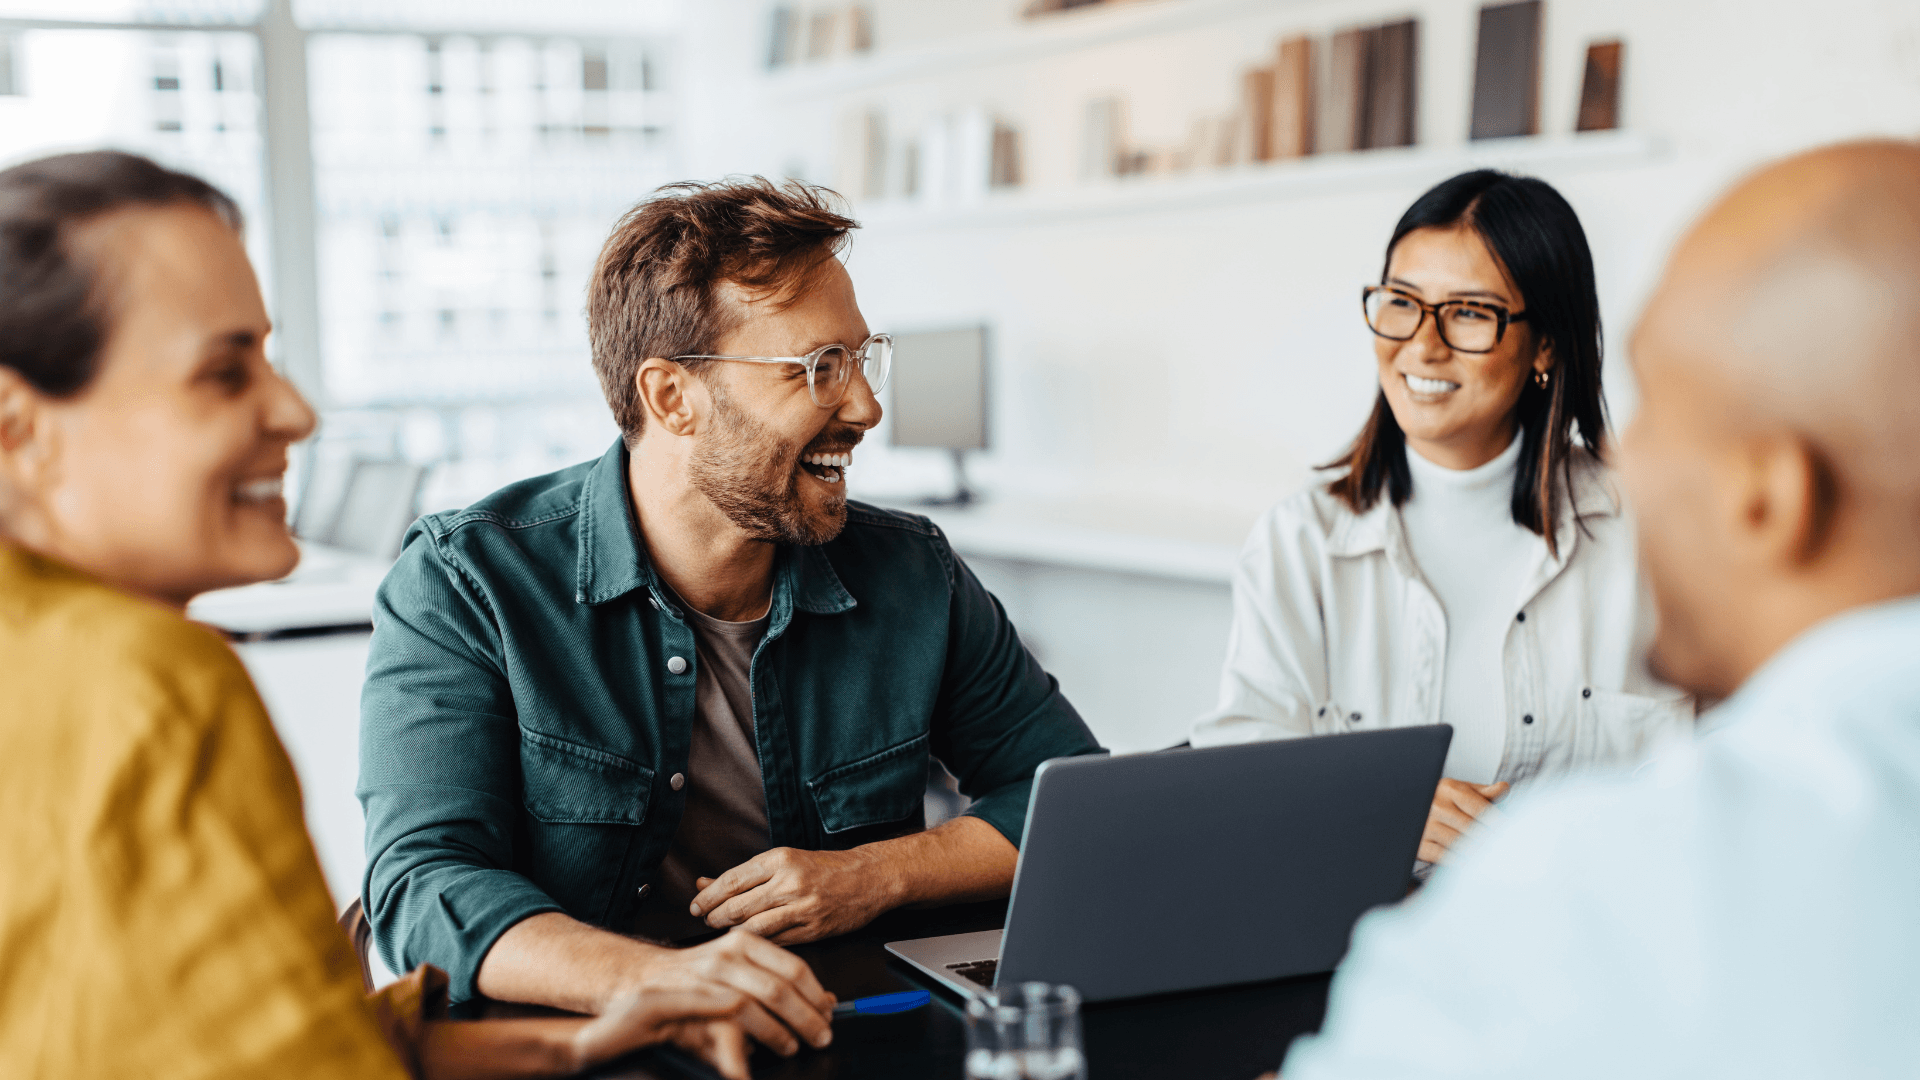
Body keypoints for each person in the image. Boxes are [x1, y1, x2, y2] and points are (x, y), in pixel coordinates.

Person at [0, 151, 753, 1078]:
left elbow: (151, 1029)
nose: (295, 412)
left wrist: (566, 1041)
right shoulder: (146, 680)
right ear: (17, 428)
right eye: (225, 373)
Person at [357, 178, 1101, 1043]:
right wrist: (664, 981)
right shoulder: (466, 581)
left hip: (837, 1037)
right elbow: (422, 881)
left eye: (863, 358)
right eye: (820, 368)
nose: (865, 406)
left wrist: (874, 874)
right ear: (673, 397)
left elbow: (1070, 800)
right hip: (580, 1055)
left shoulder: (912, 571)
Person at [1275, 140, 1920, 1078]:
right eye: (1402, 304)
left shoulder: (1585, 895)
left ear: (1769, 496)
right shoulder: (1301, 534)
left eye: (1659, 406)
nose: (1623, 462)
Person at [1193, 170, 1689, 865]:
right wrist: (1376, 802)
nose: (1423, 345)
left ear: (1545, 344)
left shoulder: (1652, 528)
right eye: (1403, 302)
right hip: (1364, 939)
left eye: (1469, 312)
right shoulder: (1299, 541)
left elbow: (1734, 759)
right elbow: (1232, 780)